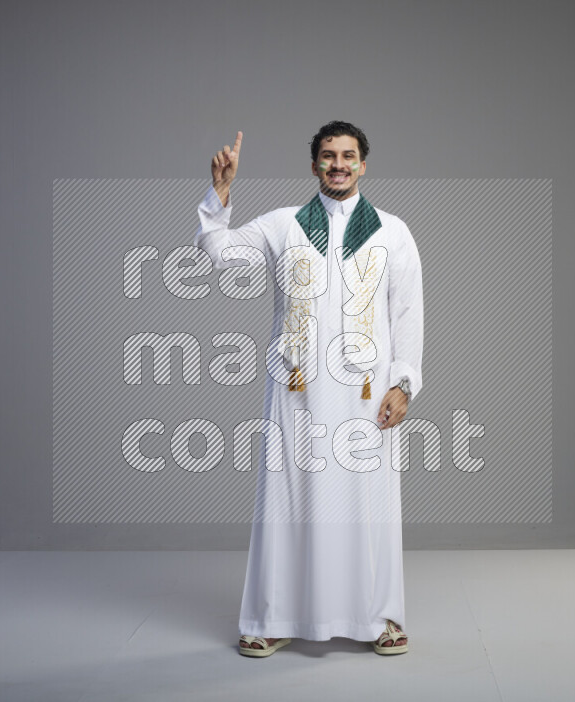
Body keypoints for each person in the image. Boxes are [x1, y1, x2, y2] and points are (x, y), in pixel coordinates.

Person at [193, 121, 423, 656]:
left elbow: (408, 312)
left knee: (370, 505)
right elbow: (220, 252)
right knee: (287, 503)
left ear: (363, 164)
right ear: (314, 164)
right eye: (327, 156)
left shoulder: (393, 232)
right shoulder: (284, 225)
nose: (338, 164)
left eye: (348, 156)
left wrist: (404, 383)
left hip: (367, 396)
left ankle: (380, 617)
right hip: (296, 391)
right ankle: (275, 617)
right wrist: (220, 193)